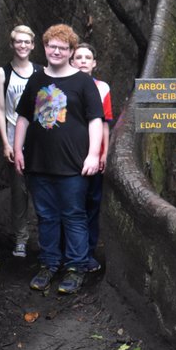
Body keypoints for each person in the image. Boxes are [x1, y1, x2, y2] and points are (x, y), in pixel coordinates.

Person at [14, 25, 104, 294]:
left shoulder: (83, 83)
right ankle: (49, 263)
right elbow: (23, 117)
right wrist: (18, 150)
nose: (56, 51)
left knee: (74, 215)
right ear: (44, 47)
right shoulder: (37, 80)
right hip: (39, 163)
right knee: (45, 216)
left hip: (74, 165)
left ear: (71, 51)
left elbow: (95, 121)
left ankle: (75, 267)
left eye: (62, 48)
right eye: (52, 46)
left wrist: (93, 155)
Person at [0, 25, 42, 258]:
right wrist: (5, 143)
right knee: (19, 193)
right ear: (12, 45)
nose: (22, 46)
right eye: (18, 42)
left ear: (33, 45)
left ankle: (47, 240)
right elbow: (0, 109)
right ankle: (21, 239)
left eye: (27, 42)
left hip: (40, 145)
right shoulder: (4, 73)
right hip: (14, 142)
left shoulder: (41, 72)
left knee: (43, 191)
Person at [71, 43, 112, 272]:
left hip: (94, 156)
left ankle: (87, 252)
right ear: (72, 60)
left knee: (92, 204)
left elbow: (105, 122)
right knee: (70, 205)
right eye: (79, 57)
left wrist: (104, 153)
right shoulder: (62, 84)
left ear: (94, 63)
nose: (84, 61)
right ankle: (69, 252)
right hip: (70, 156)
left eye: (88, 57)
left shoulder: (102, 87)